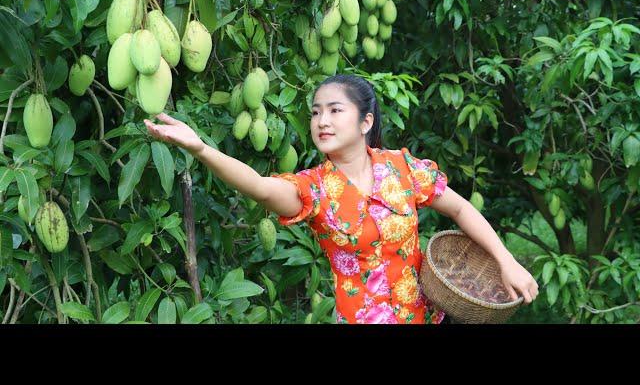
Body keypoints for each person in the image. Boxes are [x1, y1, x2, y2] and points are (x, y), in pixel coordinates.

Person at [143, 74, 539, 324]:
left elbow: (460, 207)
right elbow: (259, 187)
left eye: (334, 110)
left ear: (366, 122)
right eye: (316, 113)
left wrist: (507, 262)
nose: (322, 121)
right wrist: (200, 148)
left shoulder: (401, 168)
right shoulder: (314, 189)